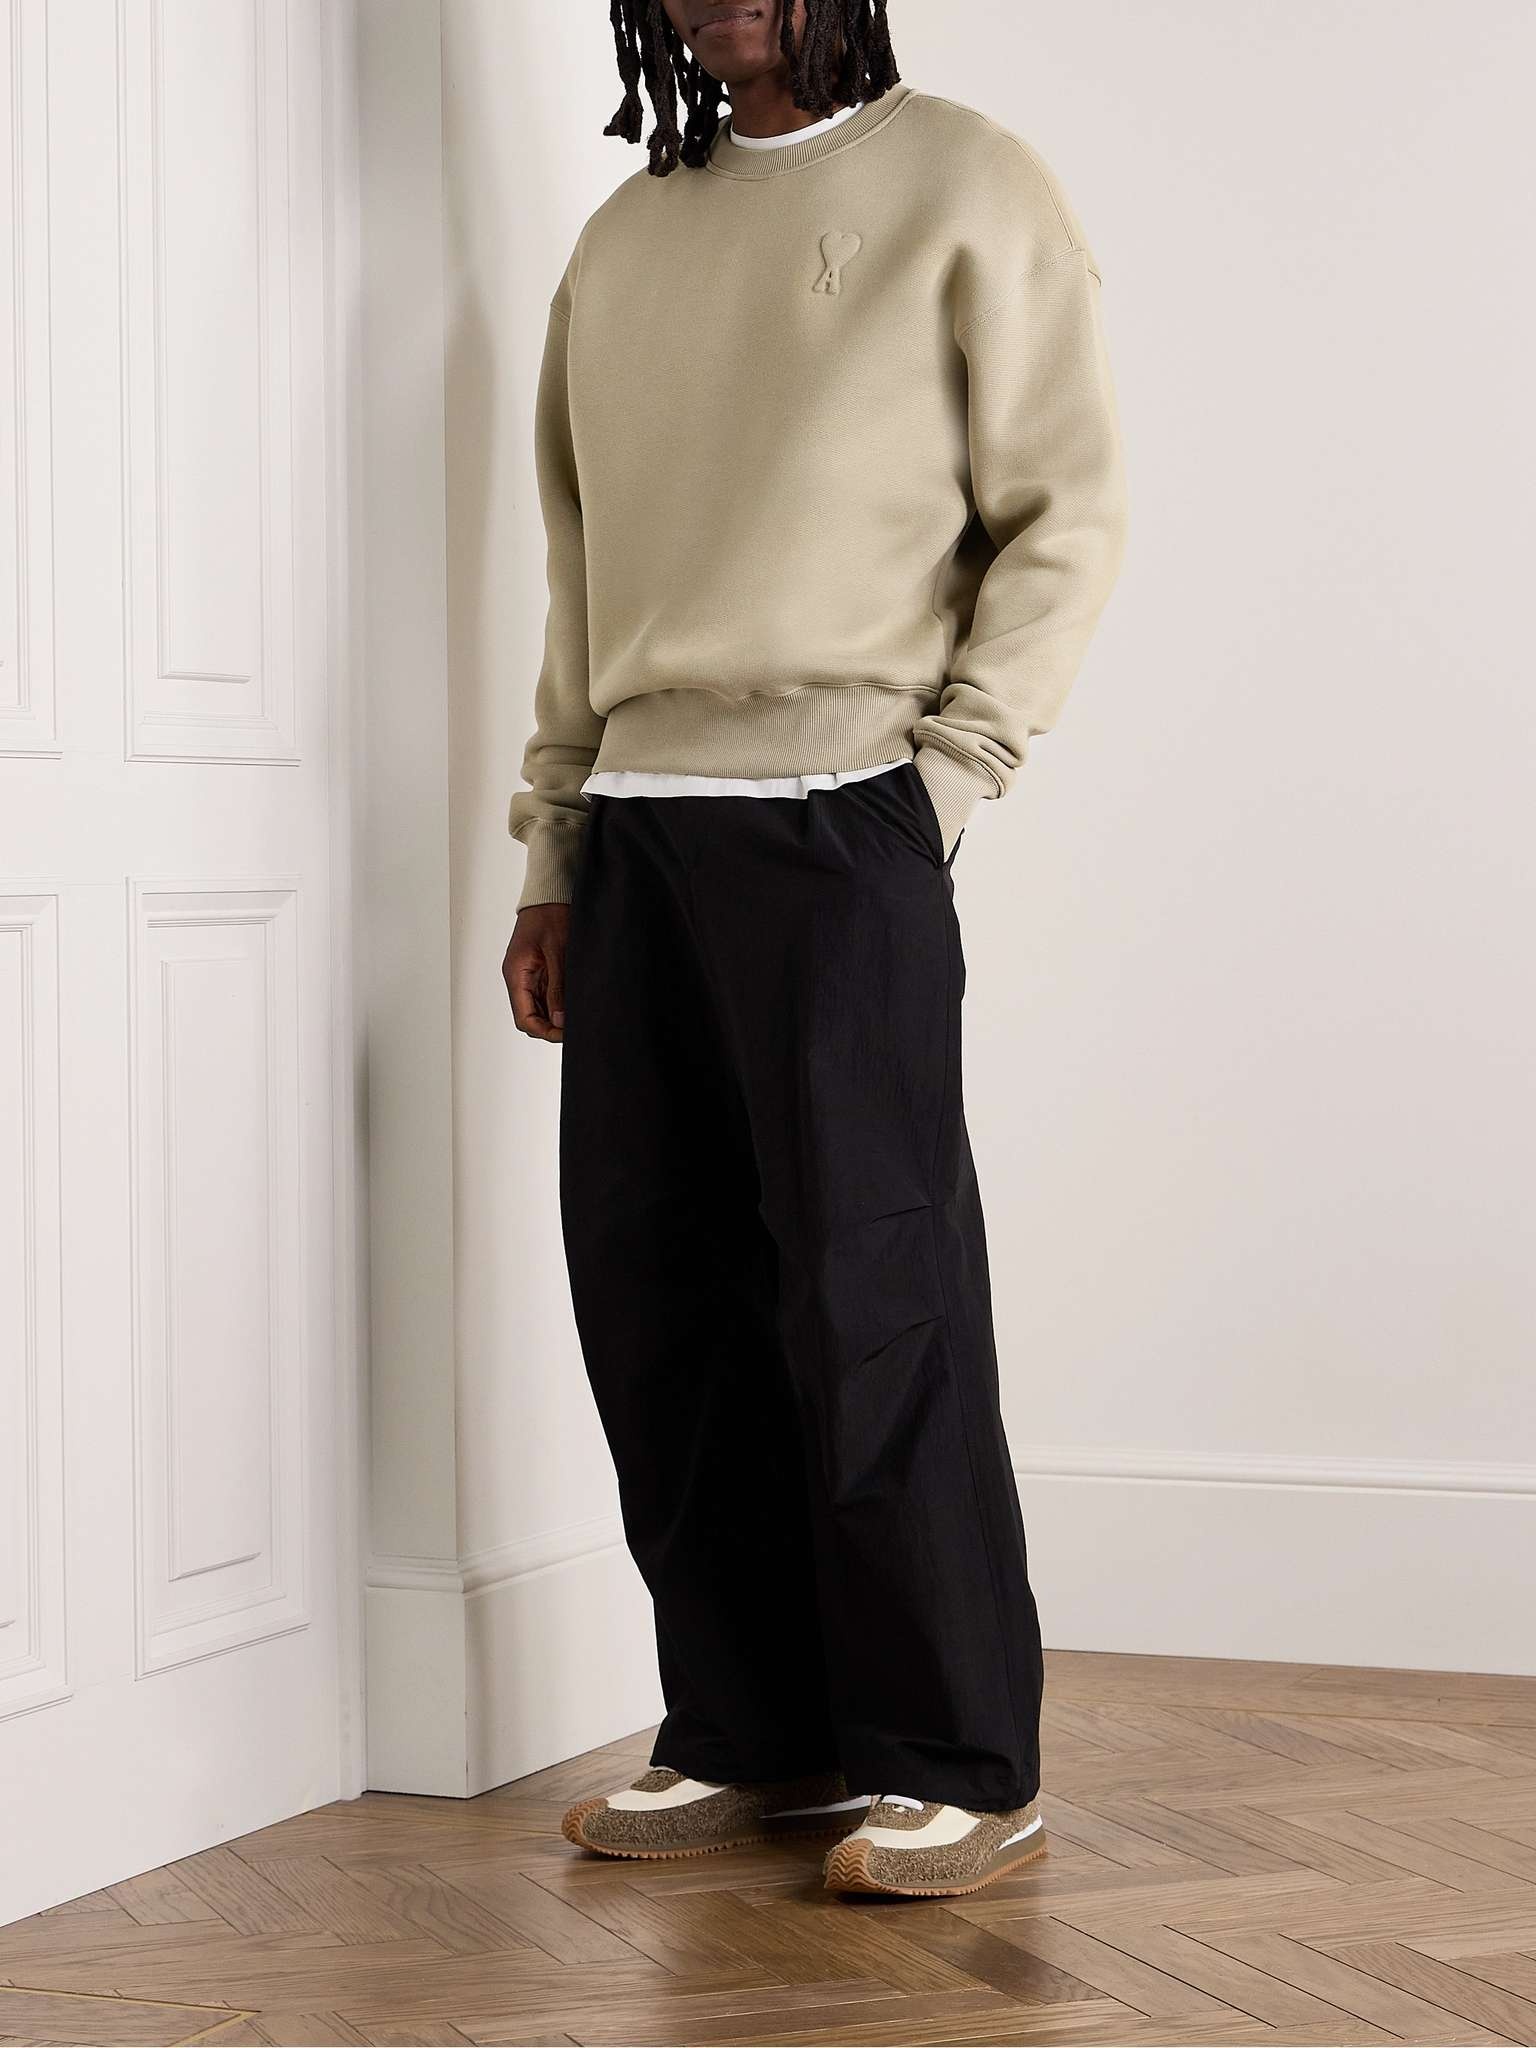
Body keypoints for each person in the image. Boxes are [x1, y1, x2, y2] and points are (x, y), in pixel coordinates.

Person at [503, 0, 1126, 1900]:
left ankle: (956, 1757)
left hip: (845, 810)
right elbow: (581, 569)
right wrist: (553, 843)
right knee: (659, 1297)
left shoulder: (967, 183)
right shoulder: (625, 238)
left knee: (876, 1291)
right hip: (640, 828)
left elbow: (1065, 511)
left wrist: (948, 774)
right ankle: (751, 1728)